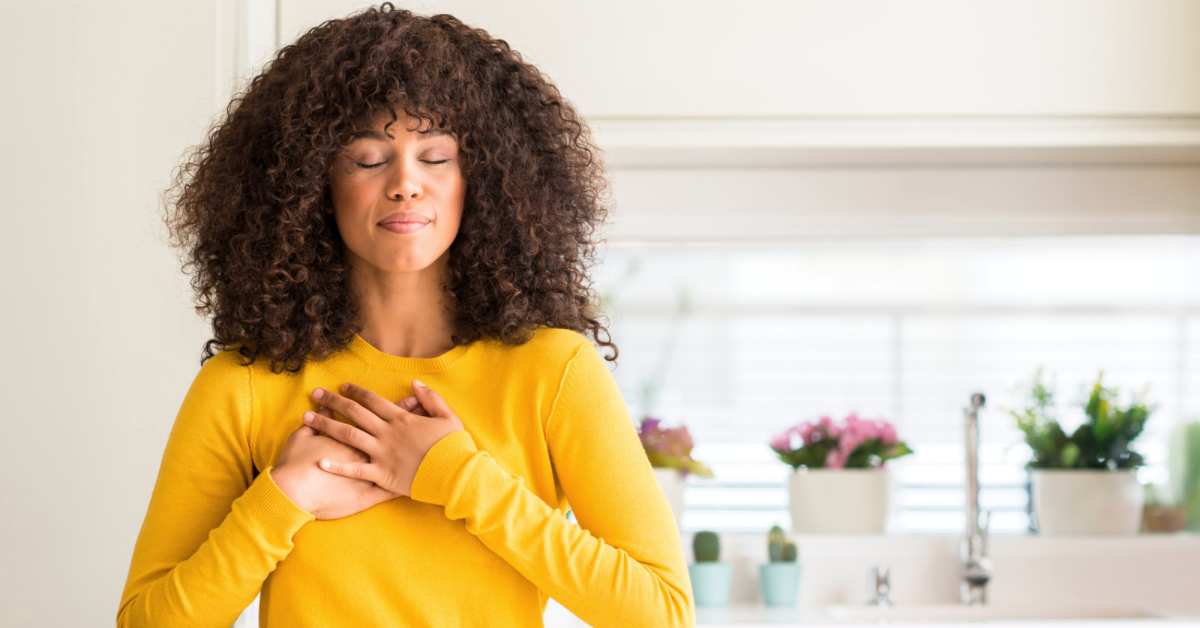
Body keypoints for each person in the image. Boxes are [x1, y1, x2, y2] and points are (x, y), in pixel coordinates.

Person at [116, 4, 694, 627]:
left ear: (484, 178)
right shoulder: (245, 386)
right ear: (312, 184)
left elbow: (661, 612)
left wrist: (456, 477)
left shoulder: (555, 373)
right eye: (368, 159)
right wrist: (284, 499)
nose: (405, 183)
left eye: (436, 156)